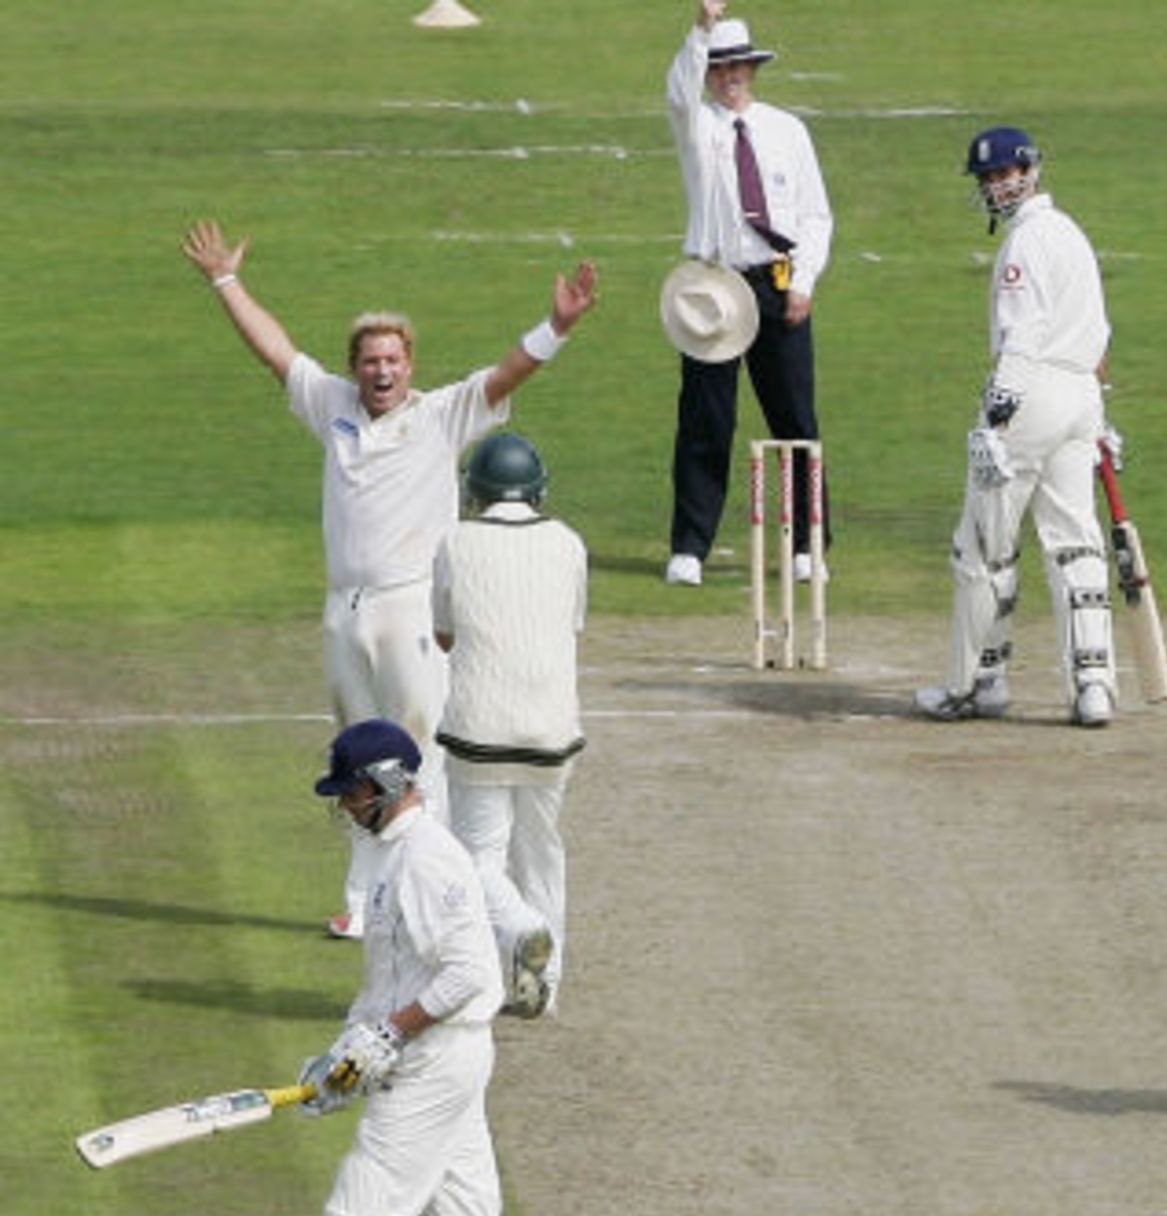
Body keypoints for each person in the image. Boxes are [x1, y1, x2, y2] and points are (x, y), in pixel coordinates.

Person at [180, 219, 597, 935]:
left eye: (394, 360)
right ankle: (366, 900)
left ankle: (433, 897)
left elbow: (508, 373)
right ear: (355, 367)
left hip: (412, 608)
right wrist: (225, 280)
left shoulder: (440, 415)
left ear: (410, 365)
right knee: (356, 755)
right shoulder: (332, 406)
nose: (382, 372)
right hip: (344, 609)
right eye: (371, 361)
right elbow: (275, 351)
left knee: (421, 754)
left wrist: (556, 327)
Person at [217, 718, 539, 1216]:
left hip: (437, 1061)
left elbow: (468, 974)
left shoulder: (428, 859)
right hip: (435, 1058)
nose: (344, 805)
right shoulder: (394, 857)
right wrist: (340, 1060)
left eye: (352, 792)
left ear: (387, 784)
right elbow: (387, 981)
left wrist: (390, 1036)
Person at [914, 127, 1118, 728]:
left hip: (1032, 395)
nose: (996, 186)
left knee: (982, 548)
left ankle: (974, 684)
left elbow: (1022, 336)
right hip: (1080, 396)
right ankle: (1094, 687)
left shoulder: (1025, 243)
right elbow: (1098, 333)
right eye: (988, 178)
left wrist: (997, 421)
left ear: (1030, 171)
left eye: (1004, 174)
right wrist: (1098, 415)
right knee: (1075, 543)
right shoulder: (1071, 232)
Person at [663, 0, 833, 589]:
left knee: (794, 415)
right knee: (705, 418)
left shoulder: (787, 130)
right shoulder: (698, 125)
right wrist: (702, 28)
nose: (728, 76)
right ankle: (690, 547)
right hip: (713, 286)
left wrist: (803, 282)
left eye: (737, 66)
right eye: (718, 67)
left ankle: (808, 544)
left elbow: (815, 216)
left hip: (777, 282)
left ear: (752, 70)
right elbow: (678, 90)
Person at [433, 433, 588, 1018]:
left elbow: (444, 635)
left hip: (480, 730)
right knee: (541, 851)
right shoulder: (568, 542)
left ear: (476, 491)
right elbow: (571, 624)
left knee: (479, 859)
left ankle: (522, 930)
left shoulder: (455, 540)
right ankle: (548, 985)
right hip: (552, 728)